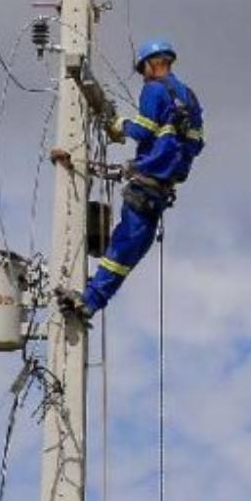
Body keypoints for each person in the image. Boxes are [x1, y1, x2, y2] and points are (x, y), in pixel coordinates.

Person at [58, 39, 204, 321]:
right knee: (130, 252)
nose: (143, 75)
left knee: (122, 249)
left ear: (152, 64)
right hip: (163, 188)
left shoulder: (154, 89)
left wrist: (116, 124)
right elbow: (197, 143)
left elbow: (143, 130)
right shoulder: (190, 97)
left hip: (147, 180)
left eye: (143, 69)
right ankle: (91, 301)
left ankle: (89, 300)